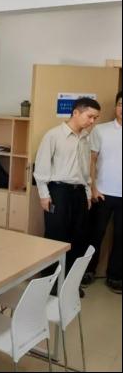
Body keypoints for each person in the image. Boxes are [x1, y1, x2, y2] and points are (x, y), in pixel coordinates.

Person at [34, 97, 100, 283]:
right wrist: (44, 195)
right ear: (76, 113)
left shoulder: (86, 138)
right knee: (55, 237)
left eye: (95, 118)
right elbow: (41, 168)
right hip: (58, 192)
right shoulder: (53, 136)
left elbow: (85, 171)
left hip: (79, 193)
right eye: (90, 116)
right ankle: (49, 283)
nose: (92, 121)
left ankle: (68, 285)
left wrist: (87, 194)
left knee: (78, 238)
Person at [83, 91, 122, 294]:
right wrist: (93, 187)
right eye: (120, 104)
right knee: (95, 234)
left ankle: (115, 276)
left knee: (121, 237)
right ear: (115, 106)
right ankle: (88, 271)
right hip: (102, 192)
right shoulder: (101, 130)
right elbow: (92, 160)